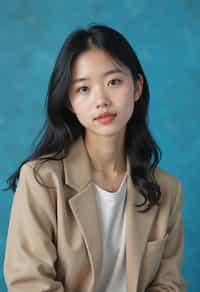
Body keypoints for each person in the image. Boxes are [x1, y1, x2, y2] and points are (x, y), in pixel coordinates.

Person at [3, 24, 186, 291]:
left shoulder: (168, 189)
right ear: (69, 102)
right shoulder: (42, 180)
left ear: (136, 87)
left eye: (113, 82)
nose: (101, 100)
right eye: (83, 89)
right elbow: (29, 283)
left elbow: (169, 284)